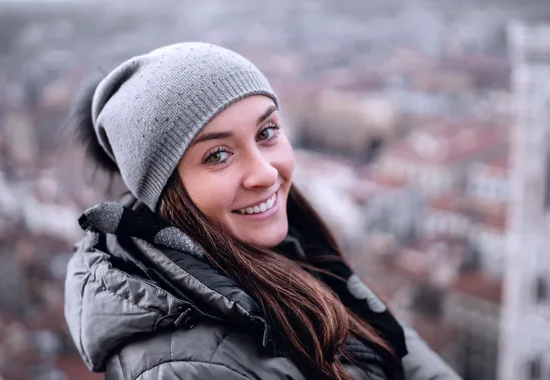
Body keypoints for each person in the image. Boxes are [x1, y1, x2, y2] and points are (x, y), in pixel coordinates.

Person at [64, 42, 461, 380]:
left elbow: (406, 359)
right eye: (217, 155)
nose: (265, 172)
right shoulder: (188, 368)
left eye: (267, 132)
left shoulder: (293, 252)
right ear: (165, 191)